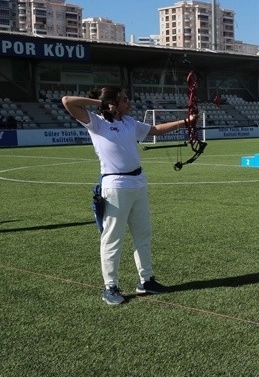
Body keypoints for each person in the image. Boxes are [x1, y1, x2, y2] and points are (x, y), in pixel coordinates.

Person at [62, 87, 194, 306]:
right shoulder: (96, 122)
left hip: (138, 183)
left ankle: (146, 280)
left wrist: (184, 122)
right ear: (112, 103)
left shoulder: (130, 122)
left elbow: (154, 129)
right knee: (113, 238)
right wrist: (100, 103)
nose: (129, 102)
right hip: (115, 185)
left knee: (143, 234)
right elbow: (67, 100)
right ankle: (110, 286)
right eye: (124, 100)